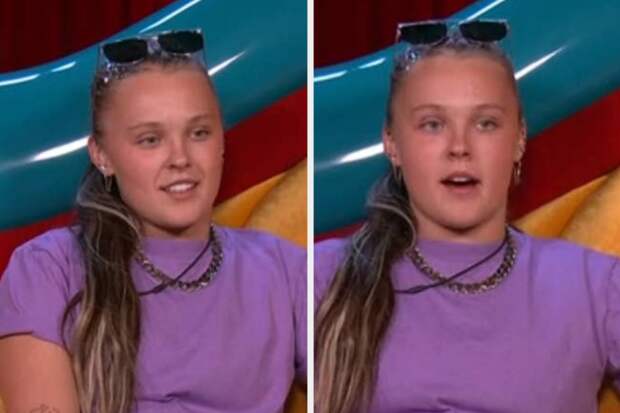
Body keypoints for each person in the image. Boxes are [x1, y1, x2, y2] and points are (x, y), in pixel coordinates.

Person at [314, 19, 620, 413]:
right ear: (392, 143)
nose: (459, 147)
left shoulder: (594, 287)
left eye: (485, 123)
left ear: (519, 139)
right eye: (432, 124)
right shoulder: (325, 279)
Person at [0, 29, 306, 413]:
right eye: (150, 139)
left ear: (221, 143)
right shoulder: (48, 268)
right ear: (102, 155)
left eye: (199, 133)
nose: (180, 158)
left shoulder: (283, 269)